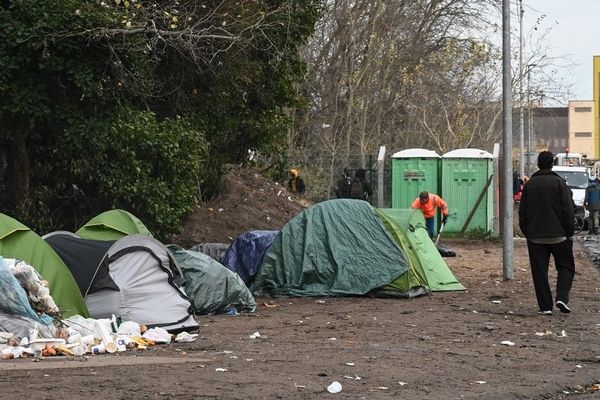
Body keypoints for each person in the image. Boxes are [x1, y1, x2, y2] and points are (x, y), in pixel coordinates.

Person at [519, 150, 575, 315]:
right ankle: (562, 298)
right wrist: (569, 232)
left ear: (538, 164)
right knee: (566, 267)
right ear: (552, 164)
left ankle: (545, 307)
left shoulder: (529, 185)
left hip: (536, 237)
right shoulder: (560, 183)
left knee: (539, 272)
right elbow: (568, 210)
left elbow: (523, 212)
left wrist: (527, 233)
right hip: (559, 236)